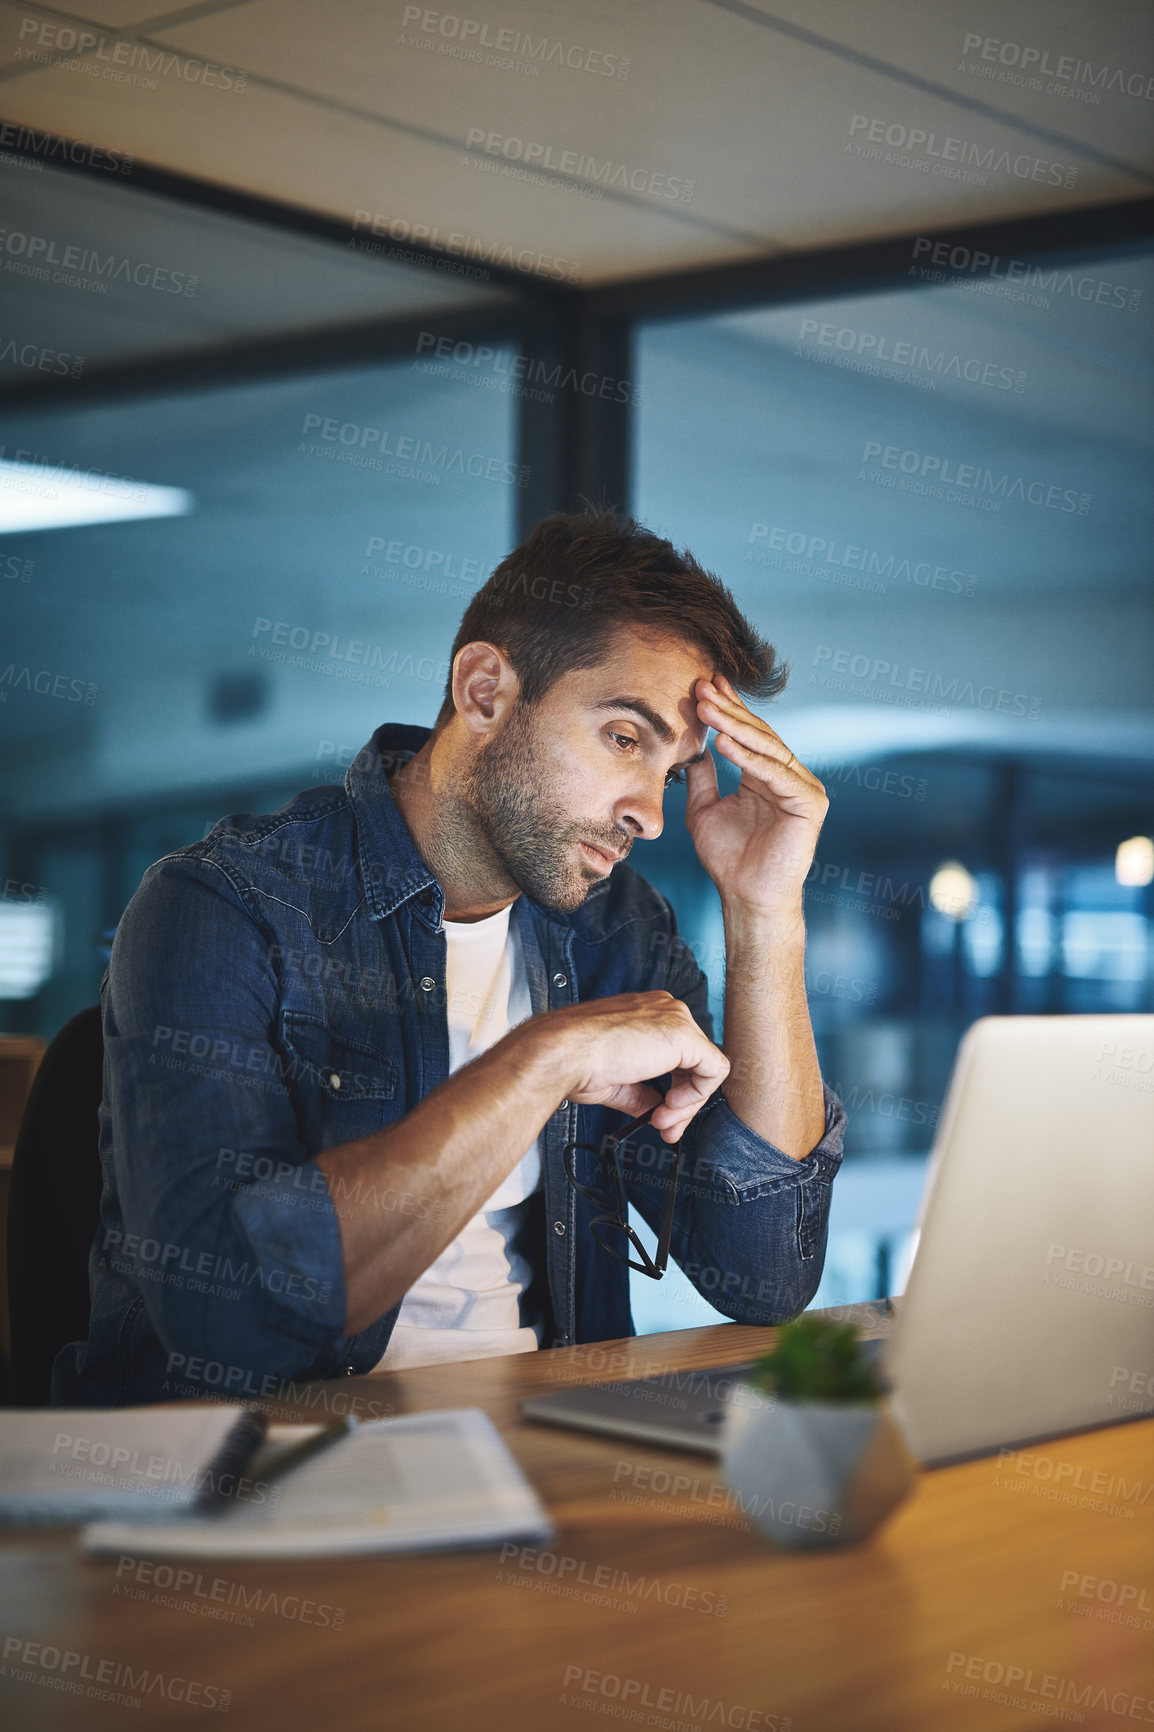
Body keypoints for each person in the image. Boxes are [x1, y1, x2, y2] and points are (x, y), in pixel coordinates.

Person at [56, 512, 845, 1406]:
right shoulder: (225, 907)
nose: (651, 815)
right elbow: (226, 1324)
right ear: (483, 690)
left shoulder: (619, 930)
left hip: (549, 1452)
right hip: (271, 1479)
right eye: (626, 739)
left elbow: (766, 1275)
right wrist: (547, 1059)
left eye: (669, 772)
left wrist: (765, 910)